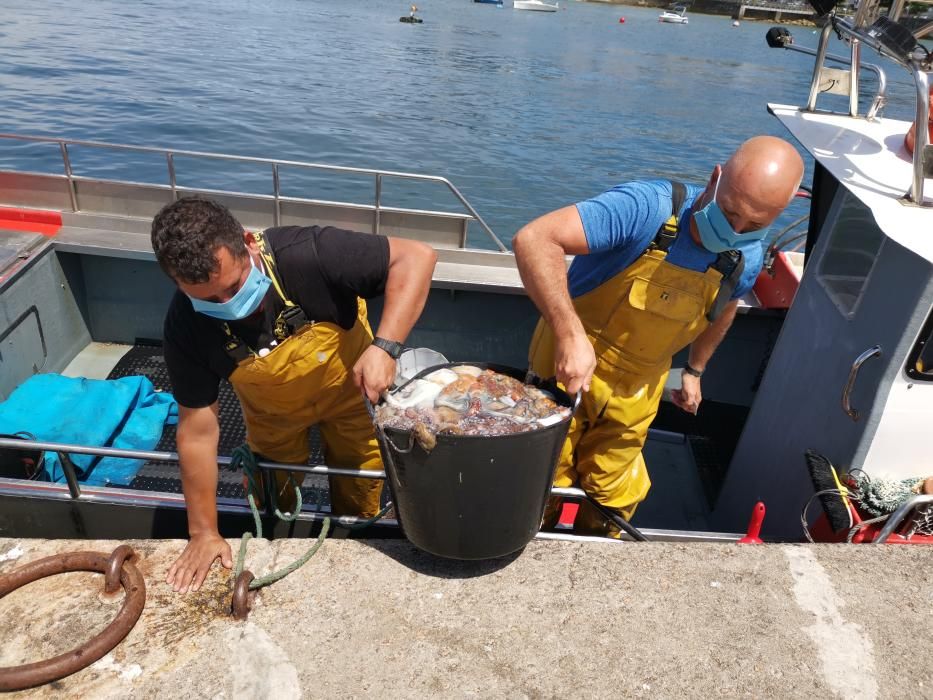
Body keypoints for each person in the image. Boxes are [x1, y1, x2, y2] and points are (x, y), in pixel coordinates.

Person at [513, 136, 804, 536]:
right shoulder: (645, 209)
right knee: (544, 478)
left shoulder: (745, 257)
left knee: (613, 495)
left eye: (754, 224)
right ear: (714, 179)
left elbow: (724, 309)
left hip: (639, 386)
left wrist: (695, 370)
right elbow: (535, 239)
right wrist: (569, 333)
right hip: (567, 365)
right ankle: (528, 543)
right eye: (730, 211)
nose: (736, 229)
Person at [151, 197, 437, 592]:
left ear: (249, 244)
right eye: (208, 300)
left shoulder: (308, 254)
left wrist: (385, 347)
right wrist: (202, 531)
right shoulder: (185, 327)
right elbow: (198, 431)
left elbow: (417, 257)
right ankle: (279, 534)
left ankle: (353, 540)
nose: (229, 306)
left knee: (361, 478)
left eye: (234, 287)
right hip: (274, 417)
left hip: (353, 393)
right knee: (274, 494)